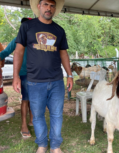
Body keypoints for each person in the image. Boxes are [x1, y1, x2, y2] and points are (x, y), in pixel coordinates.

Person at [13, 0, 73, 153]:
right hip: (34, 82)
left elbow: (63, 53)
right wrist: (15, 76)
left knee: (57, 115)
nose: (49, 8)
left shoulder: (59, 30)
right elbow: (18, 51)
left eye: (52, 5)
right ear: (39, 6)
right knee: (38, 116)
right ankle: (41, 144)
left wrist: (70, 75)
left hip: (56, 81)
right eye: (45, 4)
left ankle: (55, 146)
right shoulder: (27, 26)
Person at [0, 18, 33, 138]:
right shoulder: (18, 40)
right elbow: (4, 53)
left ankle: (32, 121)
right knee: (25, 99)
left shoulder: (36, 39)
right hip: (24, 74)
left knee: (33, 99)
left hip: (37, 75)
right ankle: (24, 124)